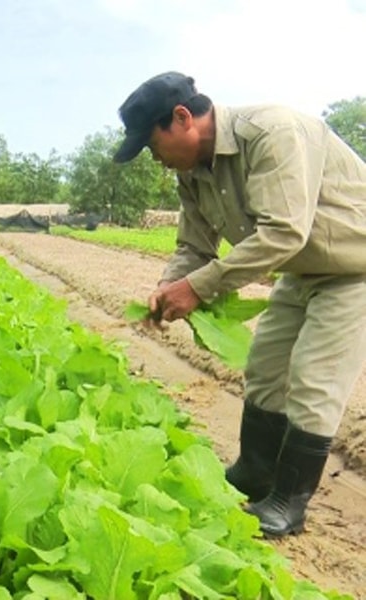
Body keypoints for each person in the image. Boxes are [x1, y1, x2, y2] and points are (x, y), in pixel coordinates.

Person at [113, 71, 366, 538]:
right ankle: (256, 474)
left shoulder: (273, 133)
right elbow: (194, 246)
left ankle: (288, 504)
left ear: (183, 118)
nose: (155, 160)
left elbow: (284, 232)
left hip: (354, 268)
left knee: (314, 378)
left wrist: (200, 288)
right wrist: (169, 287)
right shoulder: (190, 173)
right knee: (266, 367)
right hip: (302, 269)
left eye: (152, 146)